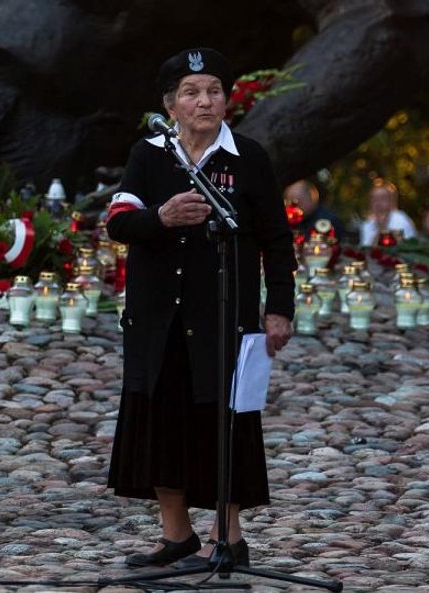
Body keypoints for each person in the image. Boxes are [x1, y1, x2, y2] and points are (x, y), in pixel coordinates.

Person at [105, 47, 296, 569]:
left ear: (226, 100)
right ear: (170, 104)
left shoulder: (248, 158)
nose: (203, 101)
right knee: (162, 418)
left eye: (213, 90)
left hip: (224, 315)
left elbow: (277, 240)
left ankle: (228, 539)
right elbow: (119, 223)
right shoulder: (150, 154)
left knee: (226, 421)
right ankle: (177, 536)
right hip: (158, 317)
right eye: (191, 93)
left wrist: (279, 308)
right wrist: (161, 218)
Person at [358, 180, 416, 246]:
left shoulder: (401, 220)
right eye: (374, 199)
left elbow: (400, 248)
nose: (378, 203)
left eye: (382, 198)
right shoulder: (366, 225)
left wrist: (381, 227)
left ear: (392, 202)